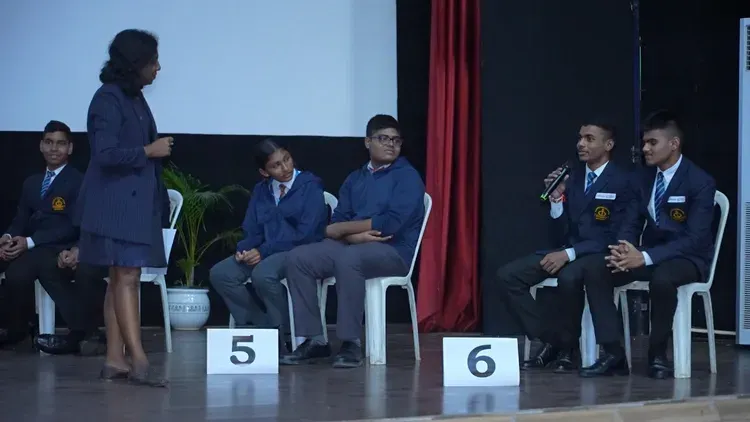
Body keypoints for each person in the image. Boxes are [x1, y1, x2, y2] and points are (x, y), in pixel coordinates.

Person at [280, 114, 425, 369]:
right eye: (383, 138)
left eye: (396, 140)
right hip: (353, 245)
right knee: (298, 259)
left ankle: (350, 343)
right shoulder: (355, 178)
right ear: (368, 142)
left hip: (393, 251)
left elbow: (390, 224)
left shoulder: (407, 177)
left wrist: (342, 231)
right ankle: (315, 340)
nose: (391, 144)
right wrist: (353, 235)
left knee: (349, 258)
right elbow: (337, 220)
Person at [579, 110, 716, 379]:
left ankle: (658, 354)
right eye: (644, 142)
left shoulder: (700, 182)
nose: (645, 149)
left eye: (652, 143)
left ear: (673, 144)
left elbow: (695, 238)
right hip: (649, 255)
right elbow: (630, 222)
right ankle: (614, 353)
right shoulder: (642, 178)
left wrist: (645, 257)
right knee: (597, 268)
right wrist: (625, 249)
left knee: (664, 278)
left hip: (688, 258)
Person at [494, 121, 632, 373]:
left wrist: (569, 254)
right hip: (567, 251)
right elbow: (559, 234)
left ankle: (568, 349)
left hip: (597, 256)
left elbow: (613, 236)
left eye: (589, 139)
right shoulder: (573, 178)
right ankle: (554, 340)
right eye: (580, 138)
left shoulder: (623, 181)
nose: (581, 144)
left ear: (608, 144)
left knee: (569, 275)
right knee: (508, 276)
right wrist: (557, 201)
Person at [77, 29, 172, 387]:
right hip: (115, 205)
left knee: (119, 279)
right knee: (127, 277)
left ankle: (115, 360)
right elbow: (105, 154)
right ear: (136, 63)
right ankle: (140, 361)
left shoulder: (133, 96)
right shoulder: (108, 99)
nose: (158, 68)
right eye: (153, 61)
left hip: (132, 204)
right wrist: (149, 151)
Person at [209, 139, 328, 353]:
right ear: (264, 172)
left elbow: (306, 234)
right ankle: (261, 328)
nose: (286, 168)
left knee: (264, 274)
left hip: (299, 251)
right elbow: (252, 228)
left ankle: (284, 334)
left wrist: (262, 252)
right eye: (276, 165)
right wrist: (244, 250)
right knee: (221, 273)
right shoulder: (262, 191)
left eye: (287, 160)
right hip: (265, 251)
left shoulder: (310, 186)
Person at [0, 120, 82, 347]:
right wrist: (7, 239)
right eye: (49, 142)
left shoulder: (78, 181)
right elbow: (20, 221)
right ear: (41, 146)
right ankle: (17, 326)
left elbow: (73, 226)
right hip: (29, 246)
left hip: (57, 246)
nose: (54, 148)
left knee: (19, 272)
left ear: (70, 148)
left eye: (60, 143)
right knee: (10, 262)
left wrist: (29, 242)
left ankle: (19, 329)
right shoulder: (31, 182)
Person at [35, 245, 109, 355]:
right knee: (48, 269)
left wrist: (84, 251)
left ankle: (79, 336)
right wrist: (74, 250)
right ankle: (83, 332)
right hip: (86, 246)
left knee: (85, 269)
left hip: (114, 252)